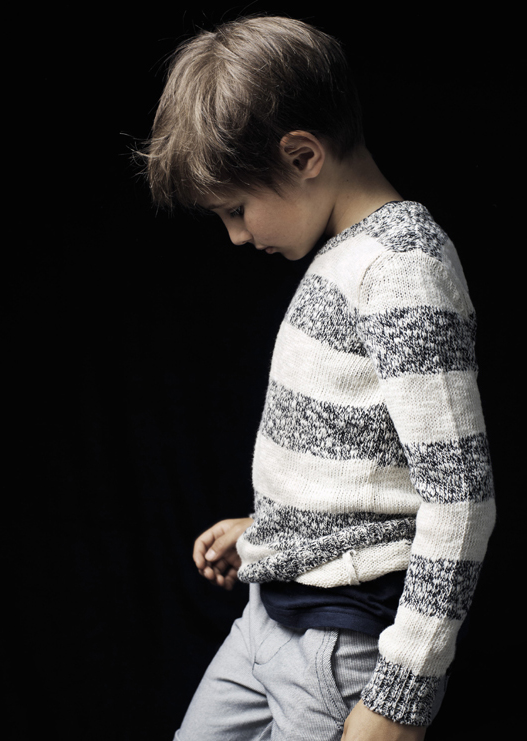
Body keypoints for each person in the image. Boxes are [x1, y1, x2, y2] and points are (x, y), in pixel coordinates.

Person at [136, 14, 495, 741]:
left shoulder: (402, 269)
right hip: (266, 620)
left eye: (237, 209)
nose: (238, 235)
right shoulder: (345, 254)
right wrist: (274, 531)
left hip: (338, 646)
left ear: (302, 155)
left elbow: (460, 499)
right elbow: (367, 474)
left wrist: (401, 693)